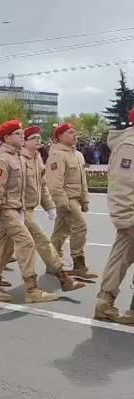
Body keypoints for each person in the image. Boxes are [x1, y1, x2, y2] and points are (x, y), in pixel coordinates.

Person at [0, 126, 85, 292]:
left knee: (3, 245)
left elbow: (43, 185)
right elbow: (16, 186)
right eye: (34, 138)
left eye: (39, 137)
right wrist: (18, 208)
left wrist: (49, 207)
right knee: (41, 241)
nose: (38, 140)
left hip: (27, 208)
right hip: (19, 209)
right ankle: (62, 277)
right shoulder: (20, 159)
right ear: (25, 142)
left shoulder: (36, 158)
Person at [0, 120, 58, 303]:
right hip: (6, 210)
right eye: (18, 134)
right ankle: (32, 289)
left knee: (2, 248)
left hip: (16, 209)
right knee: (27, 243)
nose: (22, 136)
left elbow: (25, 187)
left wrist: (24, 208)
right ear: (6, 137)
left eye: (22, 134)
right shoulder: (3, 158)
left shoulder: (17, 156)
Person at [94, 108, 134, 323]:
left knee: (120, 258)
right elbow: (121, 185)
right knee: (121, 257)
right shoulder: (129, 146)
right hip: (131, 214)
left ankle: (105, 302)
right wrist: (125, 219)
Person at [46, 123, 97, 279]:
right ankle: (78, 264)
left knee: (61, 232)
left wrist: (85, 200)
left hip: (75, 197)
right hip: (66, 198)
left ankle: (52, 264)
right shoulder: (57, 155)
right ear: (60, 136)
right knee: (80, 227)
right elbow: (55, 183)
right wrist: (62, 203)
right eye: (70, 132)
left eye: (76, 132)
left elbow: (83, 182)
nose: (75, 135)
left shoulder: (77, 154)